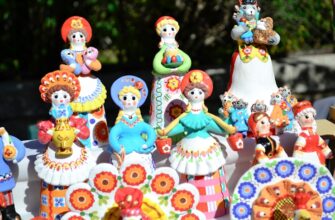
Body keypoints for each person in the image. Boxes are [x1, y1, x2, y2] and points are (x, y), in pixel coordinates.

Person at [157, 70, 236, 219]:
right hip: (188, 149)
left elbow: (217, 126)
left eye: (199, 91)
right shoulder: (185, 118)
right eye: (192, 91)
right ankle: (191, 206)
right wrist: (165, 132)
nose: (195, 94)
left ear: (204, 94)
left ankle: (219, 206)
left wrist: (227, 128)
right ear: (187, 95)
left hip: (208, 148)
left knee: (213, 174)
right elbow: (176, 127)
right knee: (190, 176)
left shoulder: (206, 117)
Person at [109, 75, 156, 170]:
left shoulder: (140, 123)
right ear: (120, 101)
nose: (129, 101)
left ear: (138, 100)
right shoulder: (120, 125)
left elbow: (150, 131)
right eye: (125, 98)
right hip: (124, 150)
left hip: (140, 148)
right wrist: (118, 148)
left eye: (133, 98)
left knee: (144, 167)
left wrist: (148, 143)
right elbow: (113, 135)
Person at [292, 101, 332, 165]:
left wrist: (327, 152)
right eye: (307, 117)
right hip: (307, 158)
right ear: (298, 120)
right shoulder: (303, 136)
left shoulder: (314, 133)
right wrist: (297, 159)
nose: (311, 118)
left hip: (318, 157)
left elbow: (322, 144)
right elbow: (298, 147)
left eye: (312, 116)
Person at [0, 128, 25, 220]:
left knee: (7, 196)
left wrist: (15, 156)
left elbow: (20, 149)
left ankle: (10, 212)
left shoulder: (4, 139)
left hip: (3, 177)